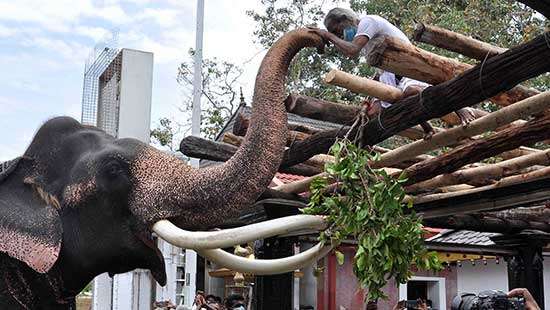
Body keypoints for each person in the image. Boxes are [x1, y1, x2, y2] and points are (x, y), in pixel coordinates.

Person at [309, 8, 476, 139]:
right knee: (374, 112)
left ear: (345, 20)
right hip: (390, 74)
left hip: (408, 66)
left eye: (337, 31)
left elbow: (352, 51)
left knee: (413, 93)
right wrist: (373, 85)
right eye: (335, 33)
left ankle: (459, 107)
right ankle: (427, 127)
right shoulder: (364, 38)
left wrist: (326, 35)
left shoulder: (367, 22)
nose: (339, 35)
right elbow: (380, 63)